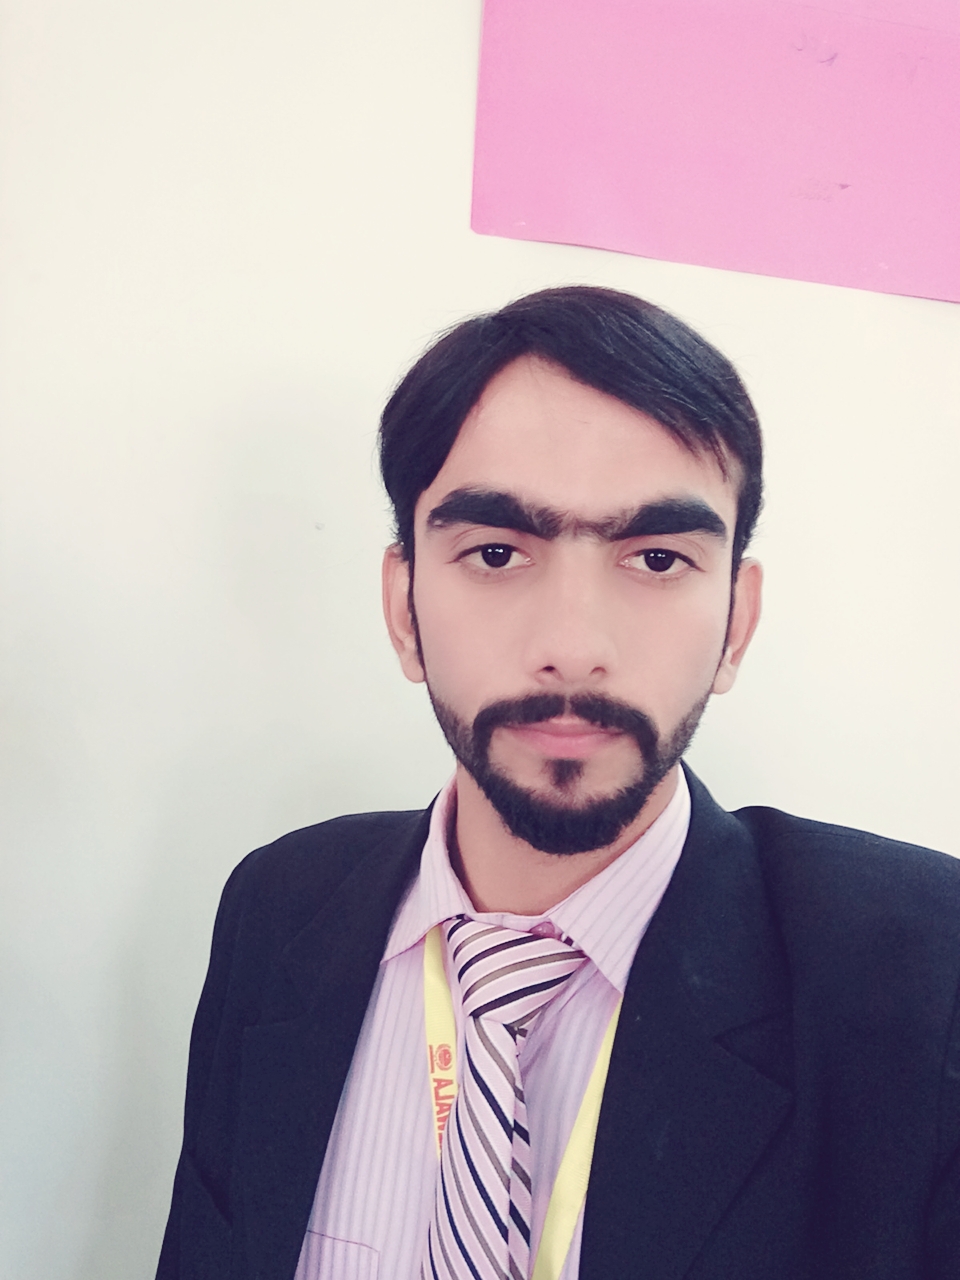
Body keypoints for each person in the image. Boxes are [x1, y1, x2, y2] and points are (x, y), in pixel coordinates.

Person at [156, 287, 960, 1280]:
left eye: (657, 558)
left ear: (736, 624)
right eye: (496, 552)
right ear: (404, 609)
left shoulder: (919, 976)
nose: (573, 645)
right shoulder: (278, 911)